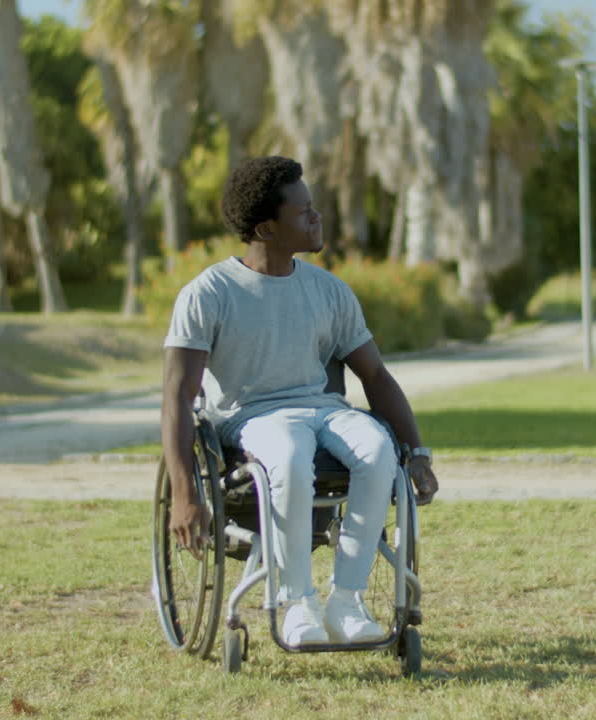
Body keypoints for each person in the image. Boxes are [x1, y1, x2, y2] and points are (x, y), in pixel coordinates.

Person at [162, 156, 438, 647]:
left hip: (323, 409)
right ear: (266, 228)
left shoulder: (328, 290)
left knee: (376, 449)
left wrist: (416, 452)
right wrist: (184, 492)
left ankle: (347, 600)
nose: (317, 218)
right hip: (251, 416)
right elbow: (178, 398)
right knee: (288, 453)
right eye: (304, 211)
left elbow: (374, 375)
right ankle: (297, 602)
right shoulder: (210, 292)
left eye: (315, 208)